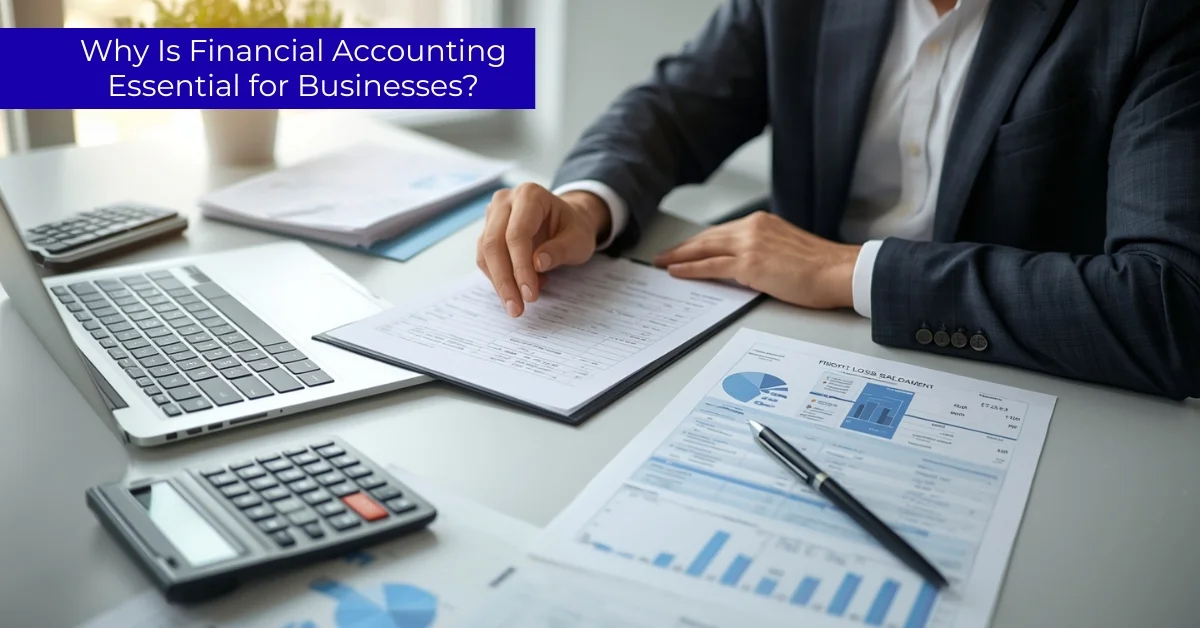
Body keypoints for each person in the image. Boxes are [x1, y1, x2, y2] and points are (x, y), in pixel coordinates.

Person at [475, 0, 1200, 400]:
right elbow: (671, 107)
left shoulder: (1152, 17)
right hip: (784, 345)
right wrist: (586, 203)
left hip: (1015, 373)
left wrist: (848, 270)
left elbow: (1174, 305)